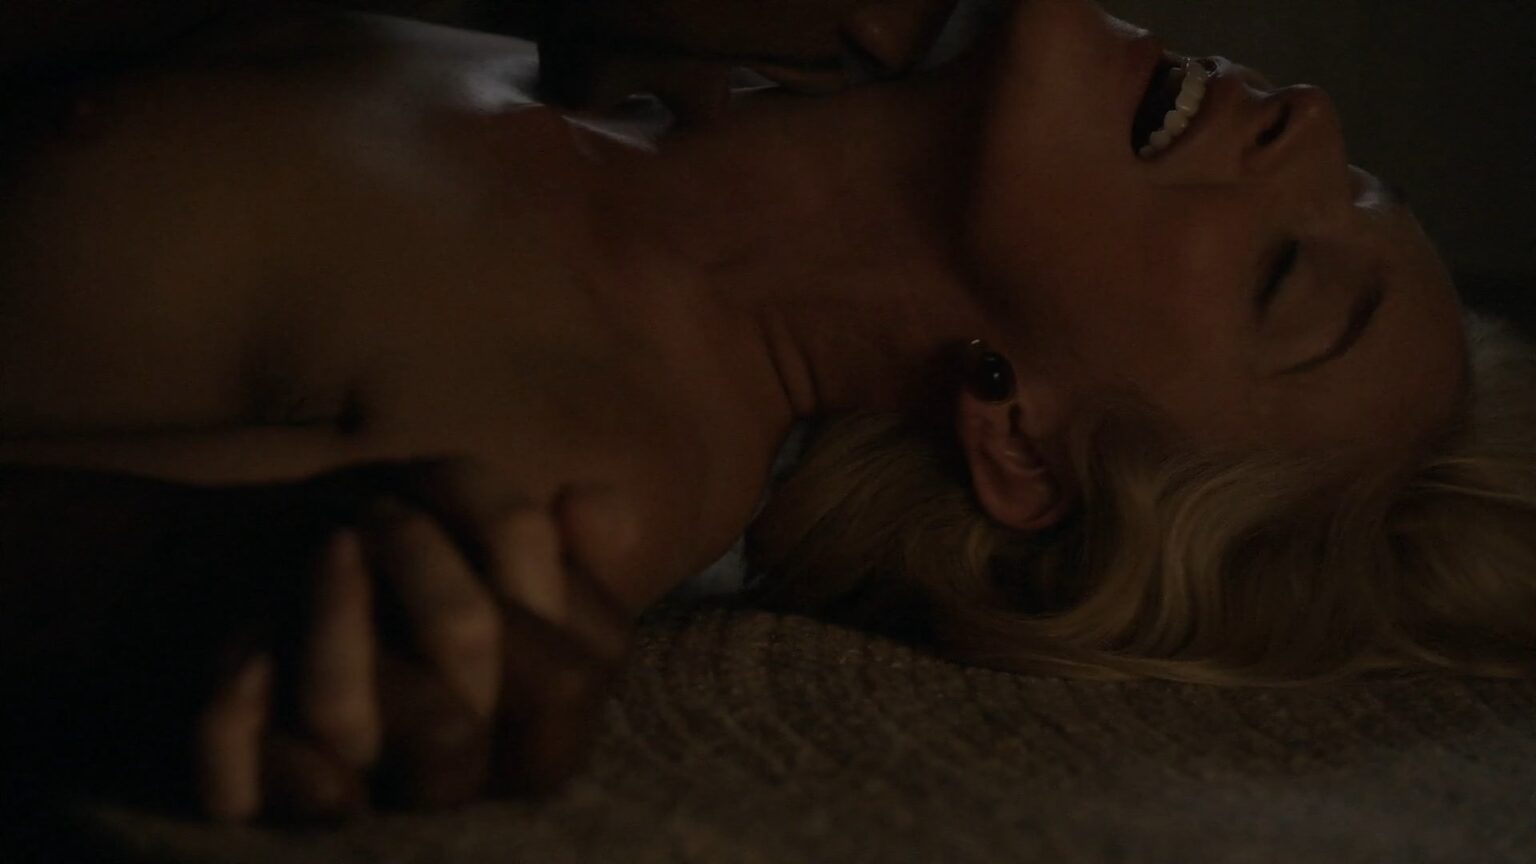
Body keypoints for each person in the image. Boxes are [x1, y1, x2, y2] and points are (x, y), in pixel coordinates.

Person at [0, 0, 1531, 825]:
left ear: (1020, 441)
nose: (1311, 118)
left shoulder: (594, 459)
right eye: (1357, 182)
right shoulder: (729, 43)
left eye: (1287, 278)